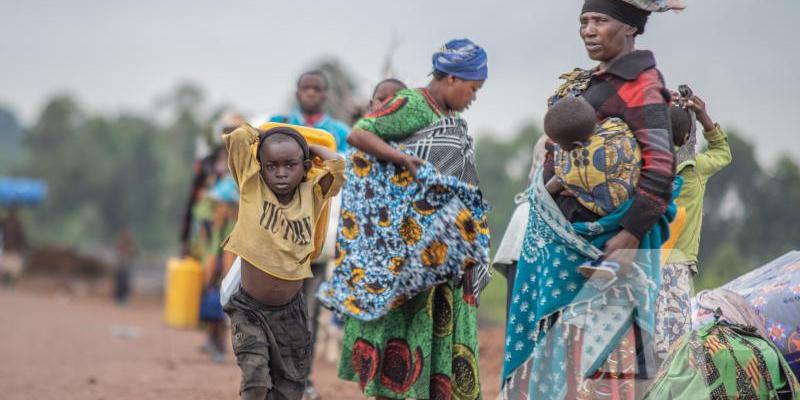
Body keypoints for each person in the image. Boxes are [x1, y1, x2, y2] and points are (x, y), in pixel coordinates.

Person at [502, 0, 681, 398]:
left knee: (604, 367)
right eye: (584, 21)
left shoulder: (643, 86)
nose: (588, 29)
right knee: (559, 358)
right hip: (563, 240)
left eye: (600, 20)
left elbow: (660, 169)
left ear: (630, 28)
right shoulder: (585, 84)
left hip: (607, 248)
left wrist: (630, 236)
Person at [329, 38, 489, 400]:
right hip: (412, 248)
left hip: (443, 247)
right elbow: (360, 133)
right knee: (405, 330)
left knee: (435, 324)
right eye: (473, 88)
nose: (473, 97)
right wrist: (402, 160)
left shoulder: (449, 117)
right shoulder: (415, 104)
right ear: (452, 78)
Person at [222, 124, 345, 400]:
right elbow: (238, 137)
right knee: (255, 381)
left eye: (290, 165)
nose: (280, 172)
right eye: (271, 165)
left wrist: (309, 146)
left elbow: (337, 165)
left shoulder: (313, 194)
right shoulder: (251, 185)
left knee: (289, 389)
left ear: (305, 167)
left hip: (291, 313)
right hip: (249, 309)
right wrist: (267, 133)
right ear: (260, 166)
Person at [269, 70, 352, 400]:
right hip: (279, 235)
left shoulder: (339, 133)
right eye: (306, 88)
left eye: (317, 89)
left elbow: (346, 174)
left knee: (309, 311)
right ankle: (279, 377)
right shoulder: (280, 124)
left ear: (325, 94)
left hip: (318, 235)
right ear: (298, 91)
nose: (311, 93)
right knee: (277, 308)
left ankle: (303, 379)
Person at [655, 92, 732, 361]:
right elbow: (722, 152)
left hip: (646, 261)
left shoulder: (647, 167)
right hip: (678, 262)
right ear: (688, 136)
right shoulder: (696, 168)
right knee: (679, 344)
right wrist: (703, 116)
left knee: (651, 336)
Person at [180, 113, 246, 258]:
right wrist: (185, 238)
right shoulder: (207, 163)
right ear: (220, 133)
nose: (232, 136)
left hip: (238, 225)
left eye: (237, 131)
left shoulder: (250, 161)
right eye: (228, 131)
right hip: (209, 226)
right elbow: (193, 199)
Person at [114, 228, 137, 306]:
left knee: (125, 283)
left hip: (127, 266)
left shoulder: (131, 245)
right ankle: (119, 299)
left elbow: (134, 254)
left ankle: (124, 299)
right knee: (120, 283)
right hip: (121, 266)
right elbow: (118, 253)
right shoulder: (121, 244)